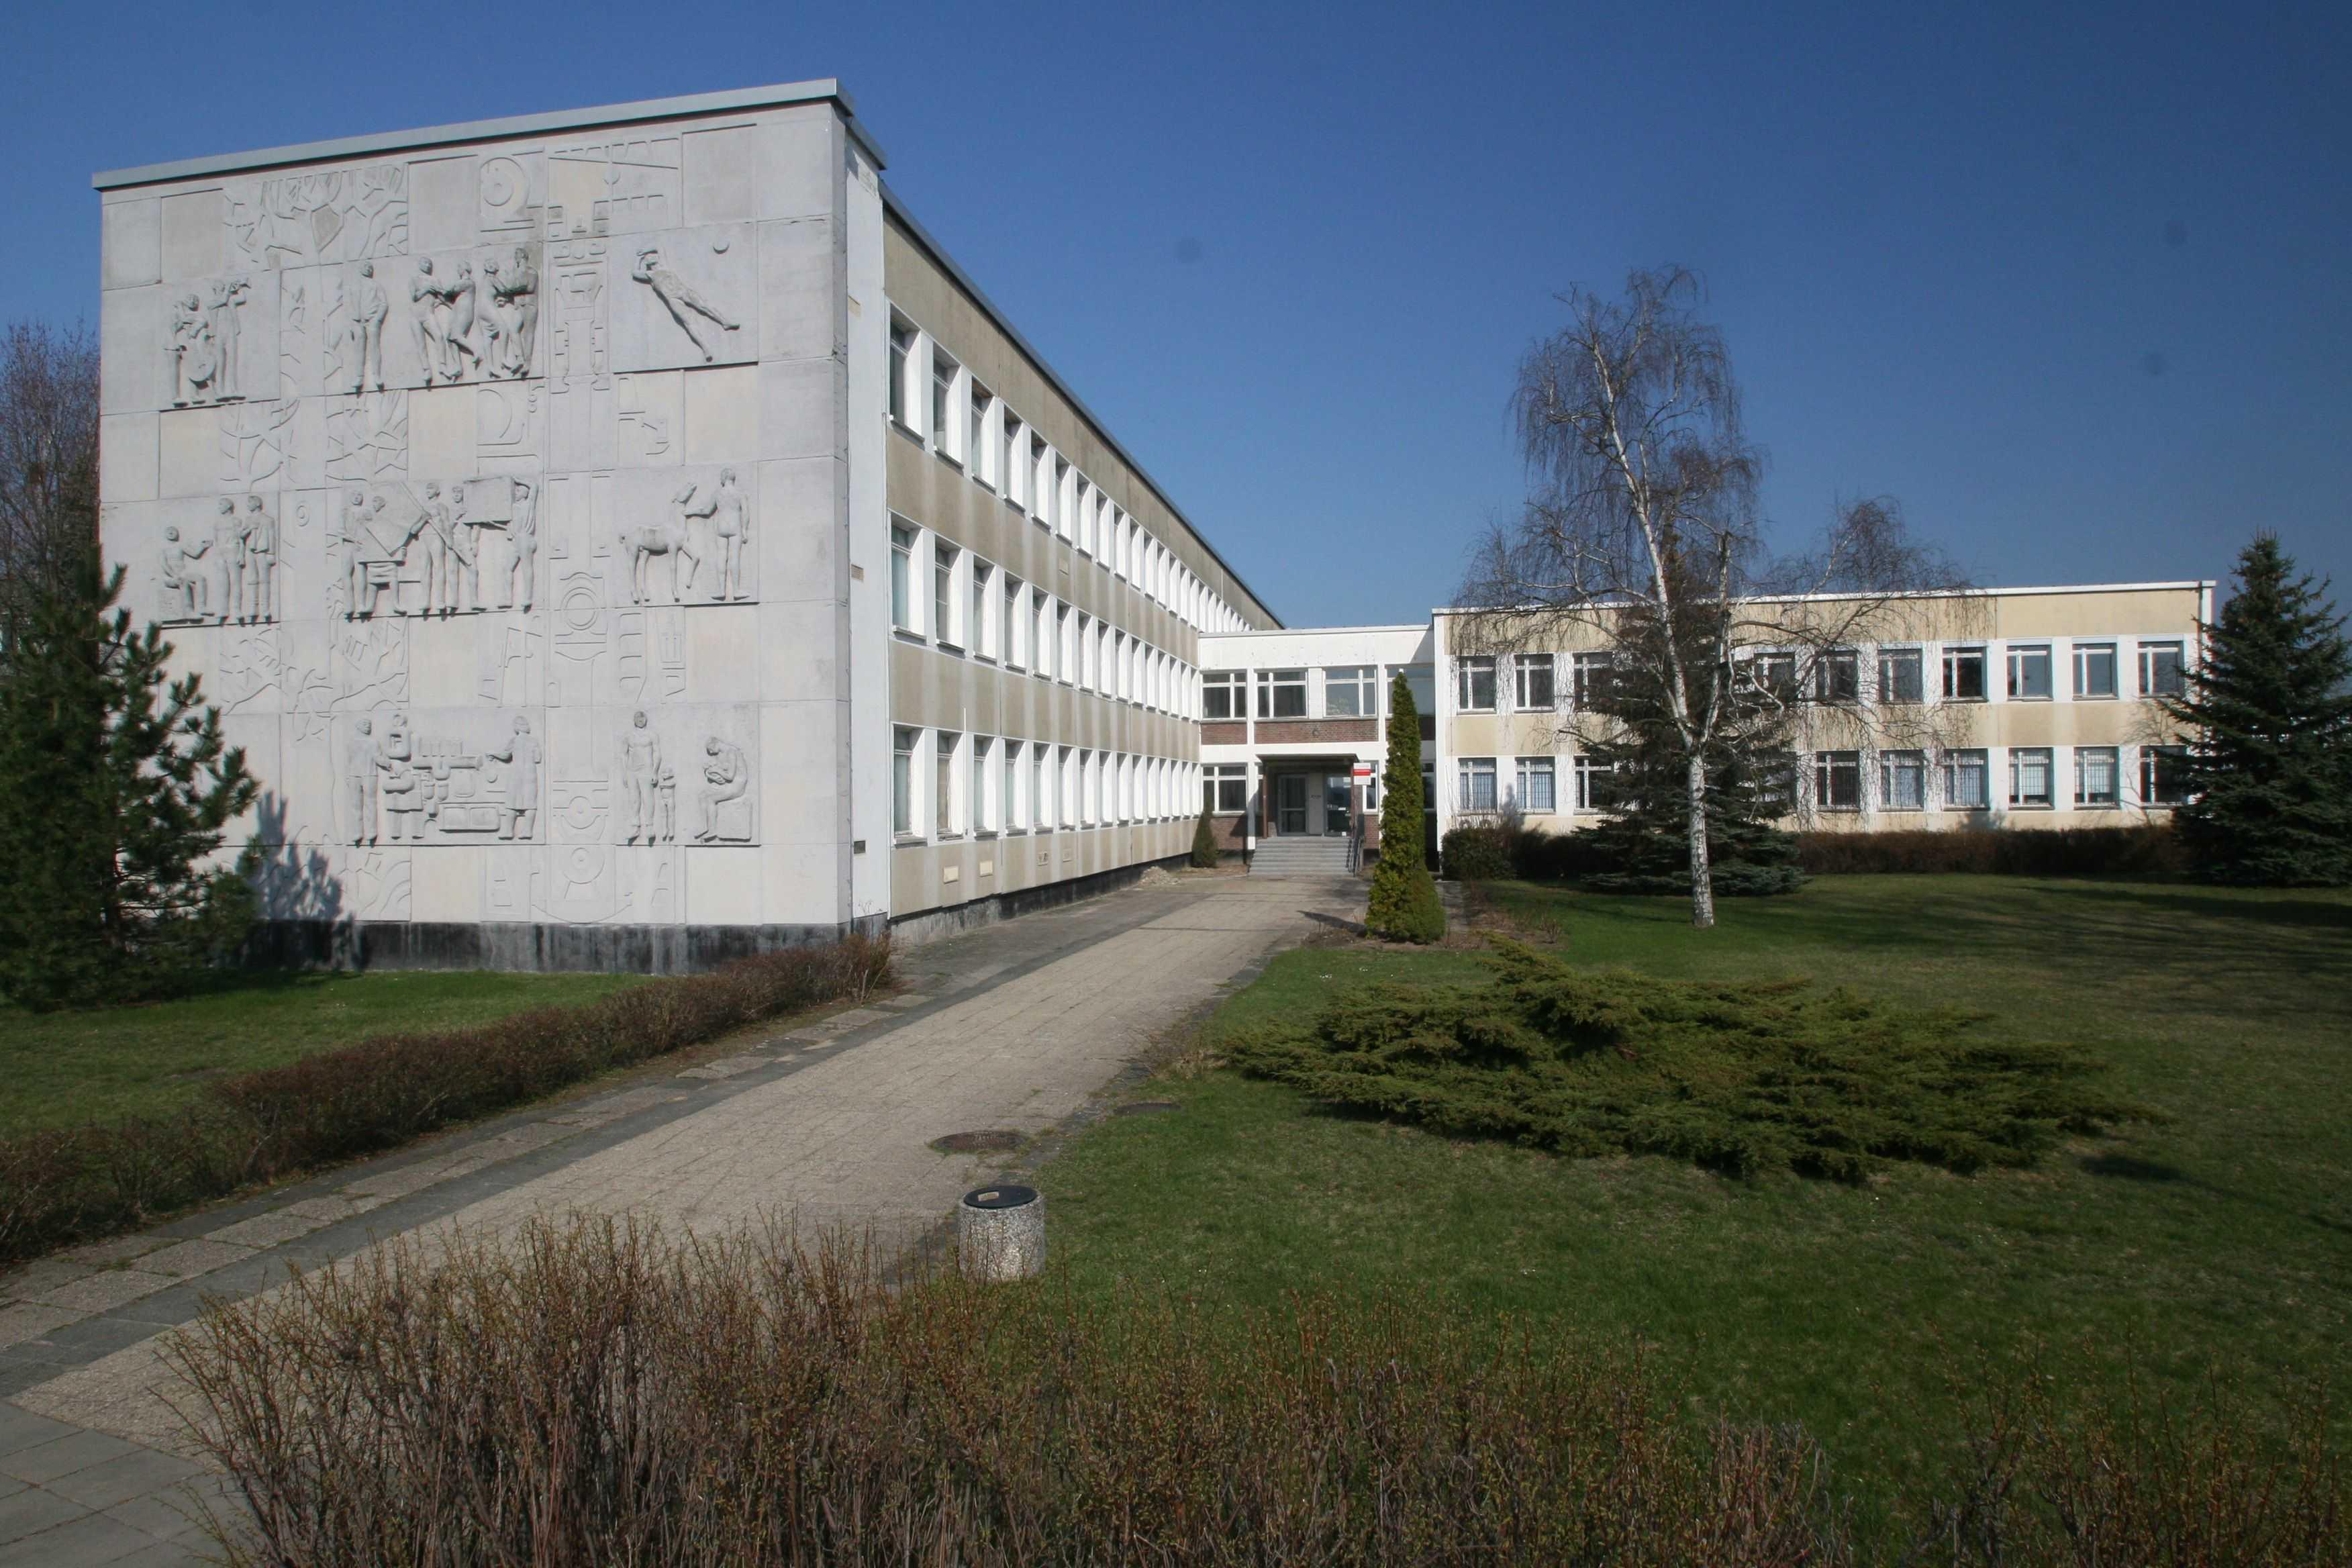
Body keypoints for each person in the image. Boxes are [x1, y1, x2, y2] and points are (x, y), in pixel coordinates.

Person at [630, 246, 740, 362]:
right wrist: (639, 258)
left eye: (653, 255)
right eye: (649, 257)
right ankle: (706, 349)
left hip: (685, 292)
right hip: (673, 299)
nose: (652, 257)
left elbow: (659, 247)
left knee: (705, 306)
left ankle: (725, 322)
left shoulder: (665, 266)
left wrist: (645, 251)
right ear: (647, 262)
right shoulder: (649, 275)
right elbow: (635, 273)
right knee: (689, 323)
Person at [486, 715, 540, 840]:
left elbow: (505, 756)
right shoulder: (534, 741)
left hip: (517, 773)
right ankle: (528, 831)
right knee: (530, 803)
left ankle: (508, 831)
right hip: (530, 773)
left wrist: (493, 753)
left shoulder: (515, 740)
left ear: (517, 727)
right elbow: (538, 758)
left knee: (512, 802)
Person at [622, 710, 663, 844]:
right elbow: (624, 754)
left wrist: (655, 771)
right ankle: (635, 826)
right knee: (634, 799)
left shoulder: (652, 735)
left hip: (646, 769)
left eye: (642, 718)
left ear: (646, 719)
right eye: (638, 718)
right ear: (634, 720)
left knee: (647, 797)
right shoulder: (628, 736)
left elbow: (657, 753)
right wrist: (625, 773)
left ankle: (650, 826)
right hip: (632, 770)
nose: (640, 720)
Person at [696, 736, 748, 842]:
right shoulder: (723, 753)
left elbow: (730, 776)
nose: (711, 753)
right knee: (702, 795)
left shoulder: (731, 752)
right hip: (729, 784)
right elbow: (723, 770)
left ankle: (712, 830)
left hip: (737, 786)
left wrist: (716, 770)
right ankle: (703, 826)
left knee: (711, 799)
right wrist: (709, 771)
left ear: (715, 745)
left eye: (710, 750)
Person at [708, 468, 749, 600]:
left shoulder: (717, 494)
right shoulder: (740, 493)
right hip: (735, 526)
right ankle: (736, 591)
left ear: (724, 478)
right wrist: (744, 530)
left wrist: (690, 511)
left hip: (721, 527)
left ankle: (721, 591)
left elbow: (706, 510)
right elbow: (746, 513)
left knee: (721, 556)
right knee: (734, 557)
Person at [350, 261, 388, 392]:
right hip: (357, 321)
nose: (369, 269)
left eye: (370, 267)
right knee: (359, 349)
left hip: (372, 320)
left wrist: (377, 319)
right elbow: (349, 304)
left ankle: (376, 375)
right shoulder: (354, 286)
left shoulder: (376, 285)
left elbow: (384, 303)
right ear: (360, 269)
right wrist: (351, 322)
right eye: (366, 267)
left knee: (374, 348)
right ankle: (359, 376)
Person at [409, 258, 448, 382]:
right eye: (425, 263)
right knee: (421, 344)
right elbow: (414, 297)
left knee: (439, 336)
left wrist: (441, 296)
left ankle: (442, 365)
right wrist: (425, 289)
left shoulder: (435, 280)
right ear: (420, 265)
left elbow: (442, 296)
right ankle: (426, 369)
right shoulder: (415, 279)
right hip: (416, 314)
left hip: (428, 313)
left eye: (430, 264)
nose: (428, 265)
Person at [159, 526, 210, 619]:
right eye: (169, 531)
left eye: (173, 531)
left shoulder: (180, 545)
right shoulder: (163, 549)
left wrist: (202, 547)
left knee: (200, 579)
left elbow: (195, 554)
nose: (171, 533)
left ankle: (201, 607)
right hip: (169, 577)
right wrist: (174, 575)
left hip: (182, 573)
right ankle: (189, 612)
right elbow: (164, 564)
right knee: (183, 582)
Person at [240, 495, 275, 622]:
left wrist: (272, 553)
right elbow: (241, 535)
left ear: (257, 504)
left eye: (250, 503)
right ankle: (253, 608)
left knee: (264, 580)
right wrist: (250, 529)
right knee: (252, 580)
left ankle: (265, 608)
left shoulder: (268, 520)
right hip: (250, 552)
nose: (248, 505)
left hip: (262, 551)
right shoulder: (248, 520)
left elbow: (272, 537)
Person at [345, 717, 380, 845]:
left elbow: (377, 757)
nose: (368, 726)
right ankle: (357, 832)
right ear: (358, 726)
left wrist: (388, 764)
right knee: (355, 806)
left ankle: (372, 831)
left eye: (369, 724)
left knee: (370, 803)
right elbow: (349, 760)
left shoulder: (373, 742)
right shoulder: (351, 743)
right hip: (354, 775)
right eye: (365, 723)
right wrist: (348, 776)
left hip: (370, 775)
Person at [505, 480, 537, 610]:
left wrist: (517, 480)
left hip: (525, 538)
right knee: (507, 568)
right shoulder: (514, 507)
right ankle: (508, 599)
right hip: (516, 540)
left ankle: (528, 598)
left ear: (525, 493)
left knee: (526, 568)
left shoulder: (529, 504)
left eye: (518, 491)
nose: (516, 493)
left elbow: (534, 486)